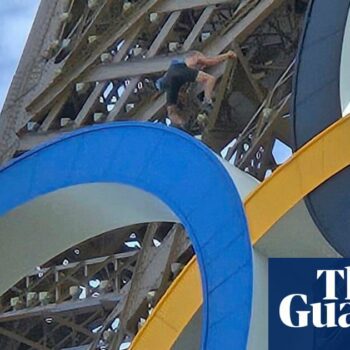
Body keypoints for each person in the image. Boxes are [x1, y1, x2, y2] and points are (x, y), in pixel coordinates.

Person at [155, 50, 237, 128]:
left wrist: (182, 122)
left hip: (172, 81)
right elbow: (210, 61)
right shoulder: (194, 55)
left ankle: (182, 124)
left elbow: (171, 113)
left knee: (172, 111)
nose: (202, 67)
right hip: (179, 72)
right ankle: (207, 102)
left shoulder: (171, 73)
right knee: (210, 79)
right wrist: (227, 55)